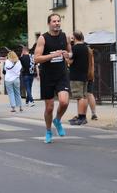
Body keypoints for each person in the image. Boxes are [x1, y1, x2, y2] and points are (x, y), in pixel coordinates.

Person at [34, 13, 71, 143]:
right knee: (49, 107)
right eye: (54, 21)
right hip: (47, 76)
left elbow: (70, 55)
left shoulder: (64, 36)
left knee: (64, 102)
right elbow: (36, 58)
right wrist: (53, 55)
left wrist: (68, 55)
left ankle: (58, 120)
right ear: (49, 23)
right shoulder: (43, 38)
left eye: (58, 21)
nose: (57, 23)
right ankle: (49, 130)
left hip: (61, 74)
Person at [67, 31, 89, 125]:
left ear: (75, 38)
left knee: (79, 97)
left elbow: (70, 62)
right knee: (84, 96)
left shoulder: (75, 48)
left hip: (76, 75)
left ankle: (80, 117)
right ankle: (83, 116)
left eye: (72, 38)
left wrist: (65, 58)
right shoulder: (85, 47)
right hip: (84, 75)